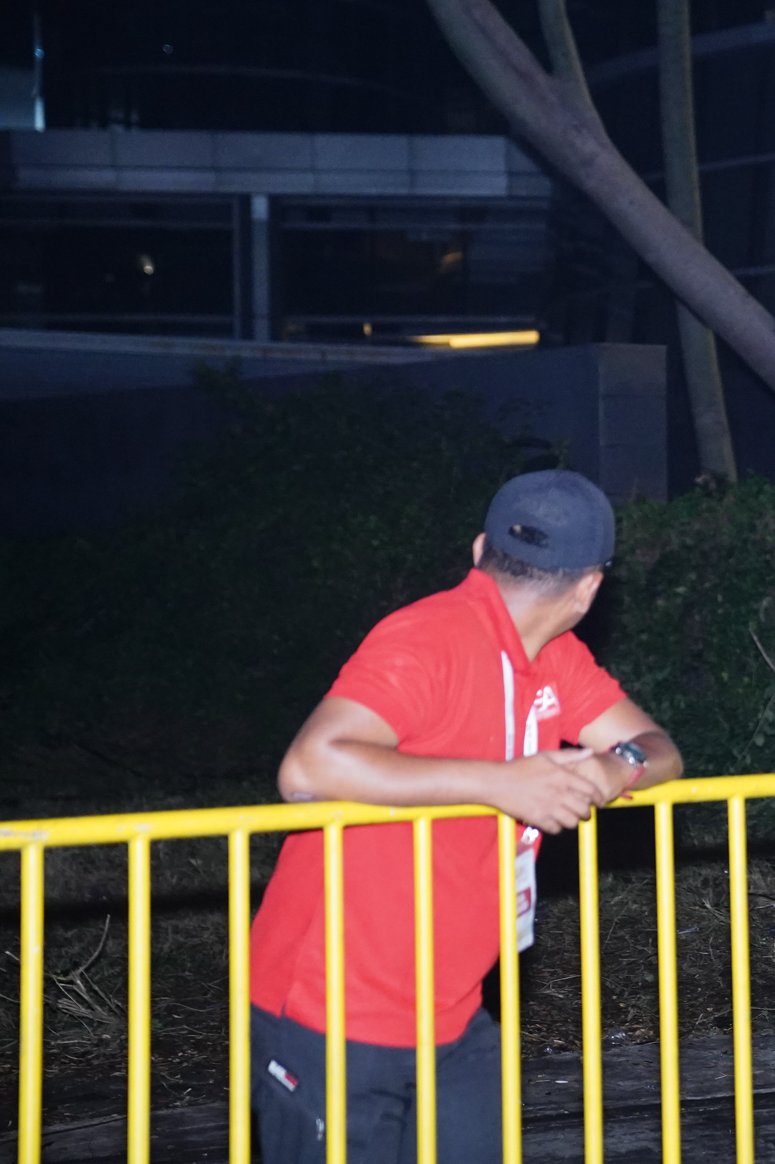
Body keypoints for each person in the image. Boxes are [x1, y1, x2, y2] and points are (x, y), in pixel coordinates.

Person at [248, 470, 683, 1163]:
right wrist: (500, 784)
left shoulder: (556, 658)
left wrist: (613, 767)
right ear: (589, 588)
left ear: (482, 548)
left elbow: (659, 750)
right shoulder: (428, 635)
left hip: (450, 1008)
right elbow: (306, 769)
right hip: (331, 1008)